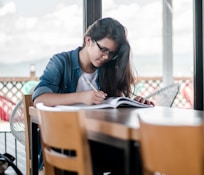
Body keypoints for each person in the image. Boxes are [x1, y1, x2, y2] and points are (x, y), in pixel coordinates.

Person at [32, 17, 154, 174]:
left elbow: (113, 104)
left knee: (136, 156)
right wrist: (81, 97)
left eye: (112, 53)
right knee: (96, 160)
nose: (106, 57)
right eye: (103, 50)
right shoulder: (61, 62)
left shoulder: (108, 69)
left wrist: (134, 103)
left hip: (97, 139)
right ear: (88, 40)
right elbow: (39, 99)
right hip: (64, 142)